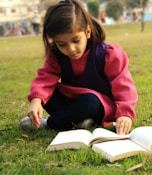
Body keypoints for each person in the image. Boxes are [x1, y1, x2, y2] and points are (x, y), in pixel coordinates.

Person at [20, 0, 138, 135]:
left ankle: (49, 123)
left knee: (89, 103)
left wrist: (125, 113)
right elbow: (46, 77)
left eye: (76, 41)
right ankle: (80, 121)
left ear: (87, 32)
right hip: (73, 101)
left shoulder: (108, 54)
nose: (70, 49)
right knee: (46, 93)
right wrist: (36, 101)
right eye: (61, 44)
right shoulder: (57, 55)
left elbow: (123, 85)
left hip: (99, 105)